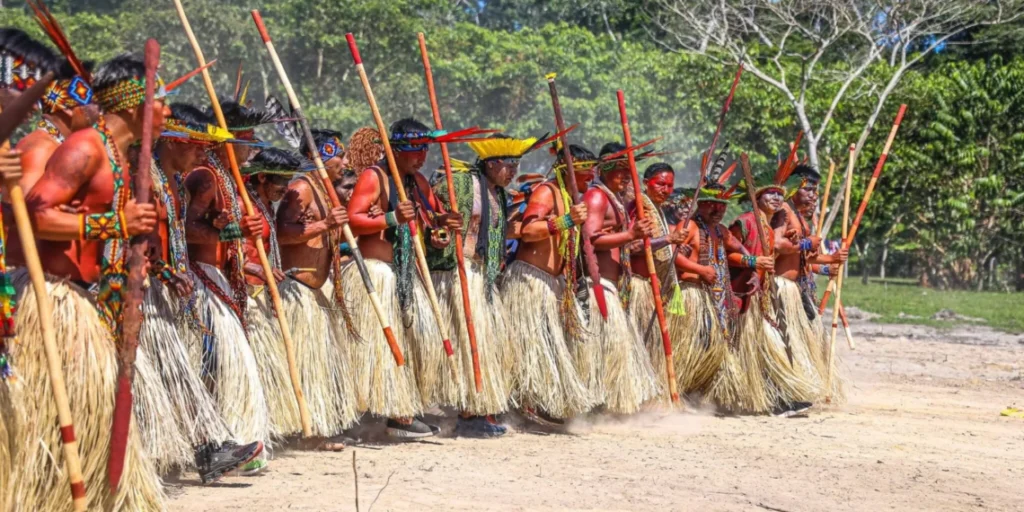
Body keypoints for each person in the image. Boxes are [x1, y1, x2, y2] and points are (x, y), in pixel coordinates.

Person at [17, 53, 165, 511]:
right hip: (56, 301)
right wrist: (112, 223)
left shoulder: (121, 156)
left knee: (98, 414)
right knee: (66, 418)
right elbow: (36, 213)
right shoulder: (85, 147)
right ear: (134, 104)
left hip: (88, 300)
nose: (167, 111)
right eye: (159, 100)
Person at [145, 102, 262, 480]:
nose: (201, 153)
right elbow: (136, 237)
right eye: (196, 145)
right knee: (168, 374)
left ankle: (206, 451)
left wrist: (224, 228)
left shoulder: (174, 181)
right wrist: (162, 272)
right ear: (174, 141)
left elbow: (181, 230)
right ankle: (199, 451)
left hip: (168, 290)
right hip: (141, 291)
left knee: (179, 373)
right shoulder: (144, 177)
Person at [344, 118, 461, 438]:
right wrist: (392, 217)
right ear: (395, 150)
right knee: (383, 349)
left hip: (406, 273)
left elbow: (433, 217)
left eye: (424, 150)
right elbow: (352, 221)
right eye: (414, 150)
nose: (421, 156)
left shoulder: (417, 181)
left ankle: (406, 408)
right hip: (376, 273)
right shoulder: (374, 176)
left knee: (424, 341)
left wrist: (442, 226)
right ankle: (394, 416)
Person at [428, 135, 546, 437]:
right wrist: (439, 228)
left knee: (487, 343)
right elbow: (430, 215)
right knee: (471, 343)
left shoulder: (498, 192)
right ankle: (469, 414)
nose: (514, 172)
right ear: (492, 163)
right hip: (459, 272)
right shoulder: (462, 184)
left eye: (517, 165)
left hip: (482, 275)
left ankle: (479, 409)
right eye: (509, 165)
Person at [184, 99, 272, 467]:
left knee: (230, 367)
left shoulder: (228, 177)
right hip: (204, 282)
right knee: (214, 365)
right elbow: (184, 229)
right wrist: (234, 230)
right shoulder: (204, 175)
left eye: (253, 140)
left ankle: (233, 438)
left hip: (223, 282)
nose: (251, 149)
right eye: (245, 140)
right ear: (223, 141)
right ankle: (213, 445)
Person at [274, 133, 359, 448]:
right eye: (342, 156)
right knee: (305, 366)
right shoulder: (301, 188)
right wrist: (325, 225)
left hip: (316, 292)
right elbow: (281, 233)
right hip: (297, 291)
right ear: (321, 155)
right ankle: (307, 432)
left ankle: (318, 426)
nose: (347, 163)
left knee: (321, 365)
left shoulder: (323, 191)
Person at [501, 143, 595, 424]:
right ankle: (525, 404)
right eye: (585, 172)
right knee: (530, 347)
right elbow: (529, 230)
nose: (590, 178)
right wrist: (566, 220)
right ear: (568, 169)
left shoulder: (568, 195)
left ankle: (538, 400)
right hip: (530, 282)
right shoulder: (547, 191)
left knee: (548, 347)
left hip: (552, 284)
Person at [576, 143, 661, 413]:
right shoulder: (597, 197)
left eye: (629, 171)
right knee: (598, 350)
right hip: (597, 286)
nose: (626, 177)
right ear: (604, 169)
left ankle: (603, 406)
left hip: (613, 287)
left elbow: (620, 242)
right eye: (620, 170)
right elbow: (589, 238)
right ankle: (588, 408)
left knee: (611, 352)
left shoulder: (614, 199)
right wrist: (630, 235)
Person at [729, 166, 817, 417]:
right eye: (771, 194)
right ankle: (778, 399)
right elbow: (725, 253)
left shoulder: (768, 228)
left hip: (762, 298)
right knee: (767, 346)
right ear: (757, 198)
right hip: (742, 298)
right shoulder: (745, 222)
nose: (777, 199)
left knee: (770, 346)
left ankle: (776, 398)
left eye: (780, 195)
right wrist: (752, 263)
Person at [775, 164, 848, 400]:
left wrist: (831, 263)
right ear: (794, 187)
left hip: (797, 290)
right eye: (809, 189)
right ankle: (785, 392)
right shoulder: (783, 211)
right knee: (786, 342)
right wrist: (807, 243)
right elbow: (776, 246)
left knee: (809, 337)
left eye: (816, 190)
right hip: (780, 287)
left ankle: (802, 388)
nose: (813, 195)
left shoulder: (799, 217)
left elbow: (807, 259)